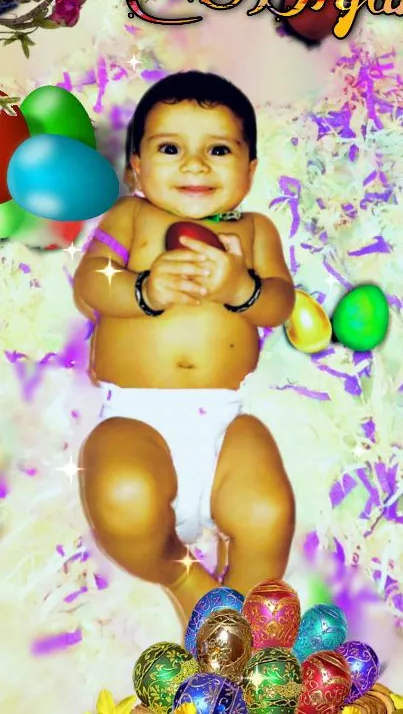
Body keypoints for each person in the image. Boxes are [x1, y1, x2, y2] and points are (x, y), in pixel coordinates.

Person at [74, 70, 296, 622]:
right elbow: (91, 283)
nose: (195, 165)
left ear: (249, 170)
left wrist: (239, 287)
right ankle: (180, 572)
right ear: (137, 168)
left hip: (226, 422)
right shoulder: (130, 216)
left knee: (269, 510)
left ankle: (231, 632)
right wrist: (145, 289)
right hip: (137, 419)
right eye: (171, 147)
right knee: (122, 497)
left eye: (218, 149)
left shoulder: (253, 232)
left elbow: (279, 302)